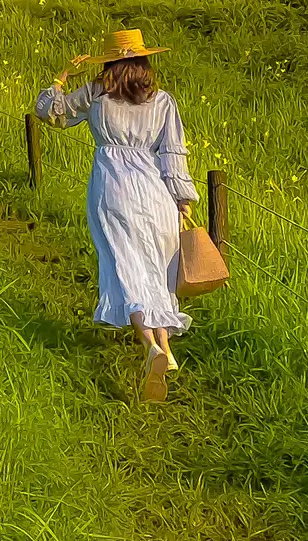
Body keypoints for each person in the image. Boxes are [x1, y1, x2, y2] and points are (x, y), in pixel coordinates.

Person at [34, 27, 197, 403]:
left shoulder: (96, 94)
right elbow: (173, 153)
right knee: (156, 267)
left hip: (112, 189)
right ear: (143, 61)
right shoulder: (163, 101)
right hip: (155, 191)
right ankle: (167, 349)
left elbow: (48, 111)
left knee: (125, 267)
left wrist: (62, 75)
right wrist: (182, 199)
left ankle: (151, 347)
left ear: (108, 62)